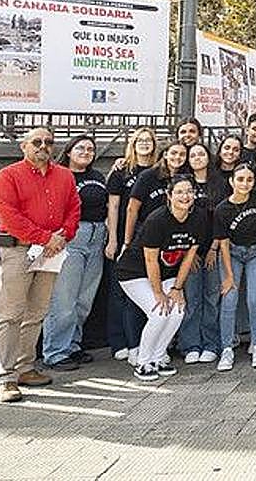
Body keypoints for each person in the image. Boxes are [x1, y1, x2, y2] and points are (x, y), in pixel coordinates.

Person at [0, 127, 81, 401]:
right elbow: (8, 215)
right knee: (9, 314)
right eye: (37, 142)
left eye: (49, 142)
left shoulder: (64, 176)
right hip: (18, 251)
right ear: (24, 147)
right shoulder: (7, 176)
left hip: (51, 252)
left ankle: (25, 368)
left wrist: (63, 235)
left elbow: (74, 209)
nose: (43, 146)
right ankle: (6, 378)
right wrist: (45, 237)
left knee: (36, 312)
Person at [116, 175, 208, 381]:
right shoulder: (157, 220)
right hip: (134, 272)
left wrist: (177, 288)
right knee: (159, 312)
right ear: (169, 195)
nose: (185, 196)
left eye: (189, 191)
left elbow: (188, 258)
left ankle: (158, 357)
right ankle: (143, 363)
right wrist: (158, 293)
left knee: (177, 311)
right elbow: (151, 260)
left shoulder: (199, 218)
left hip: (168, 273)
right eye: (179, 192)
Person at [41, 135, 108, 371]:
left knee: (83, 299)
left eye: (90, 149)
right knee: (64, 299)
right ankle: (56, 352)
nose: (86, 152)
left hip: (97, 235)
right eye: (81, 148)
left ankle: (72, 346)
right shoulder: (57, 174)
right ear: (69, 151)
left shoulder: (97, 176)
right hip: (72, 236)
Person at [105, 128, 155, 362]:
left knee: (144, 290)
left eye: (149, 141)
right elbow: (113, 207)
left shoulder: (159, 170)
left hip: (151, 237)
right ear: (132, 144)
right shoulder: (122, 170)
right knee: (119, 292)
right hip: (126, 234)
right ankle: (119, 342)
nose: (145, 144)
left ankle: (144, 340)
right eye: (140, 140)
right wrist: (113, 239)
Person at [214, 163, 256, 370]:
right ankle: (226, 347)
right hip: (233, 253)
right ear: (231, 181)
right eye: (240, 179)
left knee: (254, 298)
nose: (245, 183)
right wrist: (228, 276)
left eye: (249, 179)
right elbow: (224, 244)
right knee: (230, 298)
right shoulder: (222, 209)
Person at [179, 141, 227, 364]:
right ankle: (190, 345)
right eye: (193, 155)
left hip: (214, 249)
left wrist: (213, 248)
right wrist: (192, 252)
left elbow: (223, 219)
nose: (197, 158)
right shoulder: (183, 184)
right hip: (190, 251)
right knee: (192, 298)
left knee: (211, 297)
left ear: (209, 157)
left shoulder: (220, 184)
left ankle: (210, 343)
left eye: (201, 154)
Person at [125, 141, 187, 249]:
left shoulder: (186, 178)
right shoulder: (148, 175)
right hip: (147, 230)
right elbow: (132, 208)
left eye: (182, 154)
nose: (177, 157)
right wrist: (127, 241)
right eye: (174, 153)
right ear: (165, 154)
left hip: (175, 233)